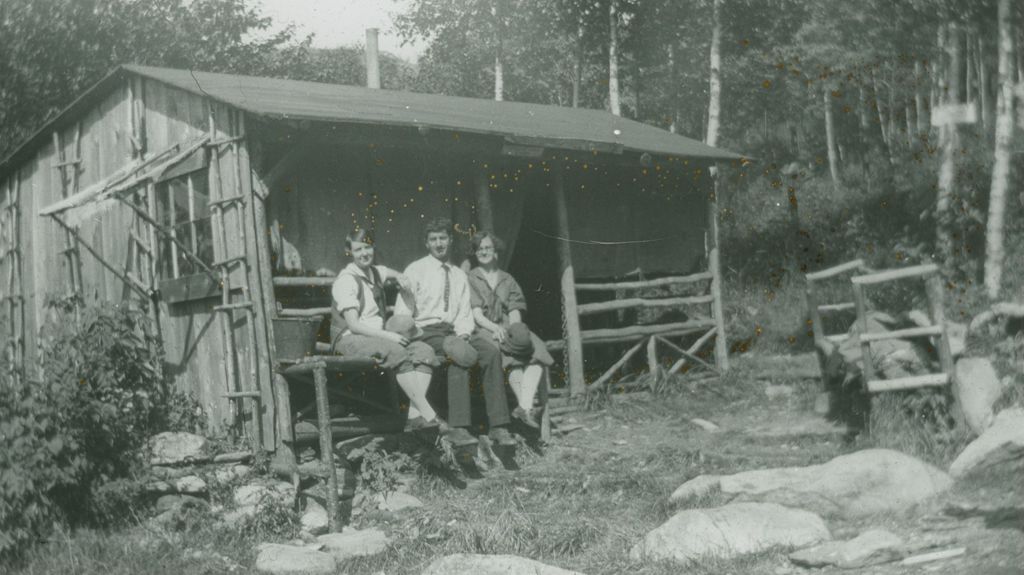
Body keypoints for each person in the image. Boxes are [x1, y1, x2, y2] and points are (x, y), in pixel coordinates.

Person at [393, 217, 515, 448]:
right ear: (426, 243)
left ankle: (499, 426)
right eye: (433, 239)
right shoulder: (415, 270)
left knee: (490, 352)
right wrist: (410, 334)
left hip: (454, 331)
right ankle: (459, 428)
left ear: (450, 240)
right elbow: (404, 311)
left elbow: (463, 312)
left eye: (443, 238)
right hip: (425, 330)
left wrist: (464, 333)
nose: (439, 243)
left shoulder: (459, 275)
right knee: (459, 354)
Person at [330, 229, 442, 431]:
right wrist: (389, 335)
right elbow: (354, 325)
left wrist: (401, 277)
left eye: (368, 247)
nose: (364, 253)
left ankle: (414, 417)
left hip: (376, 338)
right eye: (358, 249)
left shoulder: (373, 272)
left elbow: (388, 271)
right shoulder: (346, 280)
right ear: (350, 252)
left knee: (424, 351)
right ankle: (429, 413)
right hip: (350, 339)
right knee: (397, 351)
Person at [467, 232, 554, 429]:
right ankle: (527, 408)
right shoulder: (471, 278)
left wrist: (515, 332)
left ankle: (523, 407)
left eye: (488, 248)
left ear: (495, 250)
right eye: (480, 249)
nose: (484, 252)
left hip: (508, 325)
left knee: (535, 352)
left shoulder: (507, 279)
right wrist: (495, 328)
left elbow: (515, 309)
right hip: (484, 327)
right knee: (511, 360)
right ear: (475, 253)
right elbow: (476, 314)